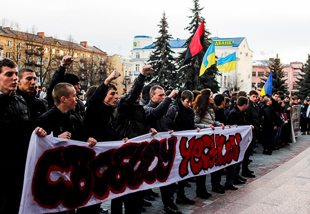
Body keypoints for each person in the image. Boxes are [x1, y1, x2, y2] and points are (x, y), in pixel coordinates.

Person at [34, 82, 97, 214]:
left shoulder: (73, 118)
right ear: (63, 99)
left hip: (71, 174)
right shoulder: (44, 120)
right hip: (54, 179)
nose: (77, 98)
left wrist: (89, 141)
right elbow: (37, 148)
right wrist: (55, 138)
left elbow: (81, 137)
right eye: (74, 96)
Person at [0, 58, 46, 214]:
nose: (14, 78)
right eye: (8, 74)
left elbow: (26, 130)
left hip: (19, 169)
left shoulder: (20, 101)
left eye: (15, 74)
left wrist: (37, 133)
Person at [113, 64, 156, 214]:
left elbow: (139, 126)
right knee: (121, 190)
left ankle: (135, 208)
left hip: (138, 151)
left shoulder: (139, 108)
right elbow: (132, 95)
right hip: (126, 152)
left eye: (139, 95)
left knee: (136, 185)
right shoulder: (124, 105)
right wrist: (142, 76)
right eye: (135, 94)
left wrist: (147, 130)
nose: (138, 96)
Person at [144, 85, 181, 214]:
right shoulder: (147, 109)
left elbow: (162, 126)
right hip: (149, 155)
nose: (163, 97)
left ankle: (169, 204)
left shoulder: (162, 110)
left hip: (161, 153)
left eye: (164, 95)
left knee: (167, 180)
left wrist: (167, 131)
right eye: (160, 95)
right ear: (152, 96)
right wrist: (170, 97)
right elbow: (156, 113)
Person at [166, 90, 199, 205]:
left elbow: (191, 124)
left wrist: (196, 128)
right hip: (174, 145)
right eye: (187, 102)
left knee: (184, 170)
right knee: (174, 171)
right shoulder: (174, 109)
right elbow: (167, 125)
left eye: (191, 102)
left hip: (186, 145)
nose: (189, 104)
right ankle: (170, 199)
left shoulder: (190, 111)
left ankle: (181, 195)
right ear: (181, 100)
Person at [193, 89, 225, 199]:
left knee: (208, 164)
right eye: (211, 96)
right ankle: (200, 189)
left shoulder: (211, 109)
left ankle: (205, 188)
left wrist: (218, 124)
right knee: (201, 165)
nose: (212, 98)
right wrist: (206, 127)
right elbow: (195, 123)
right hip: (202, 140)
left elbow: (211, 122)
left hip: (210, 140)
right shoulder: (199, 109)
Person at [45, 55, 85, 119]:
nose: (79, 87)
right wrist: (62, 67)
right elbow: (53, 85)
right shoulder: (55, 101)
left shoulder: (78, 103)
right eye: (77, 84)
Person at [226, 96, 251, 189]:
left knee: (238, 160)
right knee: (233, 163)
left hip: (240, 140)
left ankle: (236, 177)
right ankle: (230, 181)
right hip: (234, 140)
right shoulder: (233, 113)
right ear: (244, 105)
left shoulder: (241, 112)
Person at [244, 90, 259, 178]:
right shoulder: (249, 107)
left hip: (255, 129)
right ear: (249, 96)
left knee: (249, 151)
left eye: (256, 97)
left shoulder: (255, 106)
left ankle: (246, 168)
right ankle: (244, 169)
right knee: (247, 151)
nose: (255, 98)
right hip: (250, 130)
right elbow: (248, 119)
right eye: (253, 96)